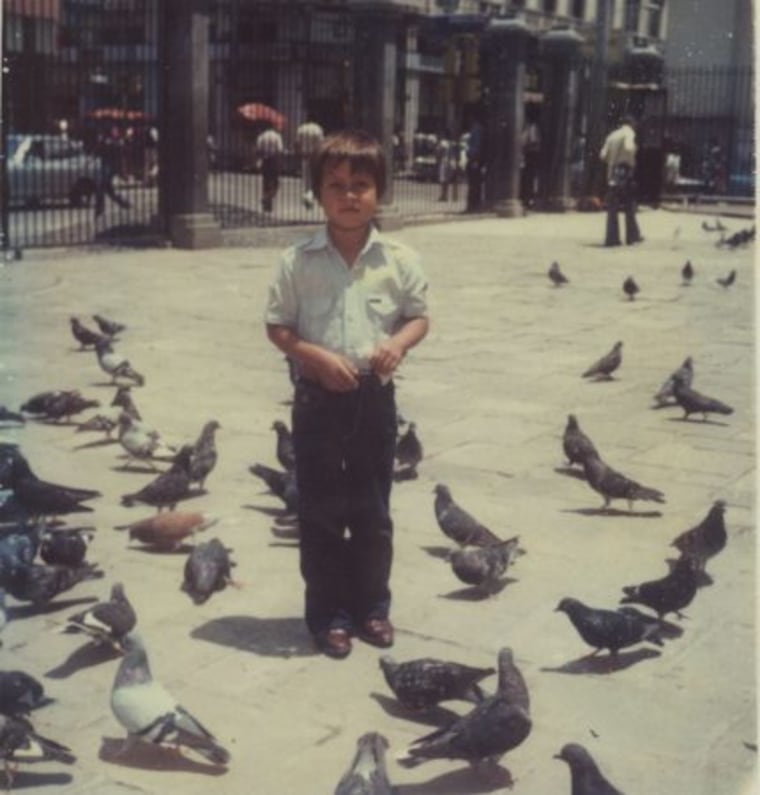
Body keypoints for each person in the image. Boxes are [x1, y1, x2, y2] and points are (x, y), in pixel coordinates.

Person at [264, 129, 429, 660]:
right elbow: (279, 328)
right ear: (316, 191)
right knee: (320, 511)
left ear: (380, 191)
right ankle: (329, 616)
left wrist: (396, 346)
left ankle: (371, 608)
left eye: (361, 184)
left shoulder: (398, 258)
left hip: (373, 400)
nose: (349, 195)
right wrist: (315, 357)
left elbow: (418, 317)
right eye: (336, 184)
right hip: (317, 401)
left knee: (373, 510)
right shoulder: (298, 260)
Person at [599, 114, 643, 247]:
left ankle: (612, 238)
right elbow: (629, 148)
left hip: (612, 173)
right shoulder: (629, 133)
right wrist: (632, 156)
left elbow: (602, 155)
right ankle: (632, 236)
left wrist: (613, 160)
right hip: (624, 170)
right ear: (631, 124)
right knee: (629, 204)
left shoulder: (611, 136)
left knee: (613, 207)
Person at [94, 125, 131, 217]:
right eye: (114, 130)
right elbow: (98, 150)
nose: (115, 132)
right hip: (105, 164)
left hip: (112, 166)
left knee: (101, 185)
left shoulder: (119, 142)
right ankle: (123, 203)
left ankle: (100, 208)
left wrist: (124, 171)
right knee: (108, 189)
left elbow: (122, 158)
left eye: (116, 131)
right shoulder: (106, 140)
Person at [295, 115, 324, 209]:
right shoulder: (317, 129)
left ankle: (308, 196)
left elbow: (297, 144)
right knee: (315, 179)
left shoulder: (301, 129)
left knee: (306, 180)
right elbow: (321, 144)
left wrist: (299, 154)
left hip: (304, 156)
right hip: (314, 156)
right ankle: (310, 197)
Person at [256, 124, 284, 213]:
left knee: (266, 182)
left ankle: (267, 204)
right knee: (275, 182)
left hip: (265, 160)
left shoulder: (261, 136)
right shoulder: (277, 136)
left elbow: (258, 150)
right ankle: (268, 198)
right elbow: (279, 150)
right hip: (274, 160)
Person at [520, 112, 541, 208]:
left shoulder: (531, 127)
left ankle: (528, 199)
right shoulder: (532, 127)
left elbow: (530, 141)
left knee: (528, 178)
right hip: (531, 155)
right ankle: (527, 198)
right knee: (529, 178)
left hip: (530, 155)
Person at [465, 116, 485, 212]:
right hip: (475, 158)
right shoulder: (479, 128)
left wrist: (474, 159)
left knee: (473, 183)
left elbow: (476, 146)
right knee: (475, 183)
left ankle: (472, 205)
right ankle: (475, 204)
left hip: (474, 159)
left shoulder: (476, 129)